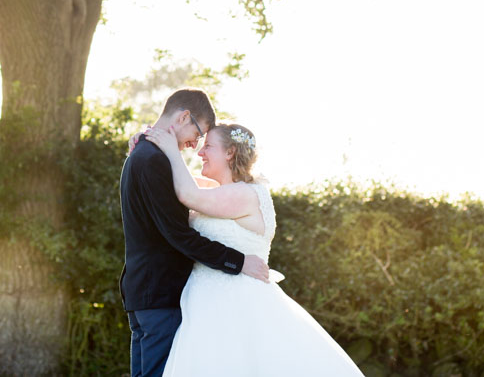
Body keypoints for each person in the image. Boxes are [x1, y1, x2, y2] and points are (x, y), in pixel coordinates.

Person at [142, 122, 366, 376]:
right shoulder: (223, 191)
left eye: (208, 147)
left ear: (230, 153)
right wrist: (148, 149)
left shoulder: (246, 194)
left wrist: (171, 148)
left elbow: (187, 193)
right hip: (206, 306)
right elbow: (176, 179)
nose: (200, 152)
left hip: (237, 308)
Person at [119, 88, 271, 377]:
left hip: (150, 292)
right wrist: (239, 262)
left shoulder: (146, 154)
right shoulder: (153, 160)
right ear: (184, 116)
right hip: (159, 293)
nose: (195, 146)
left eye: (204, 143)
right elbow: (178, 234)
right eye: (198, 133)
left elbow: (188, 197)